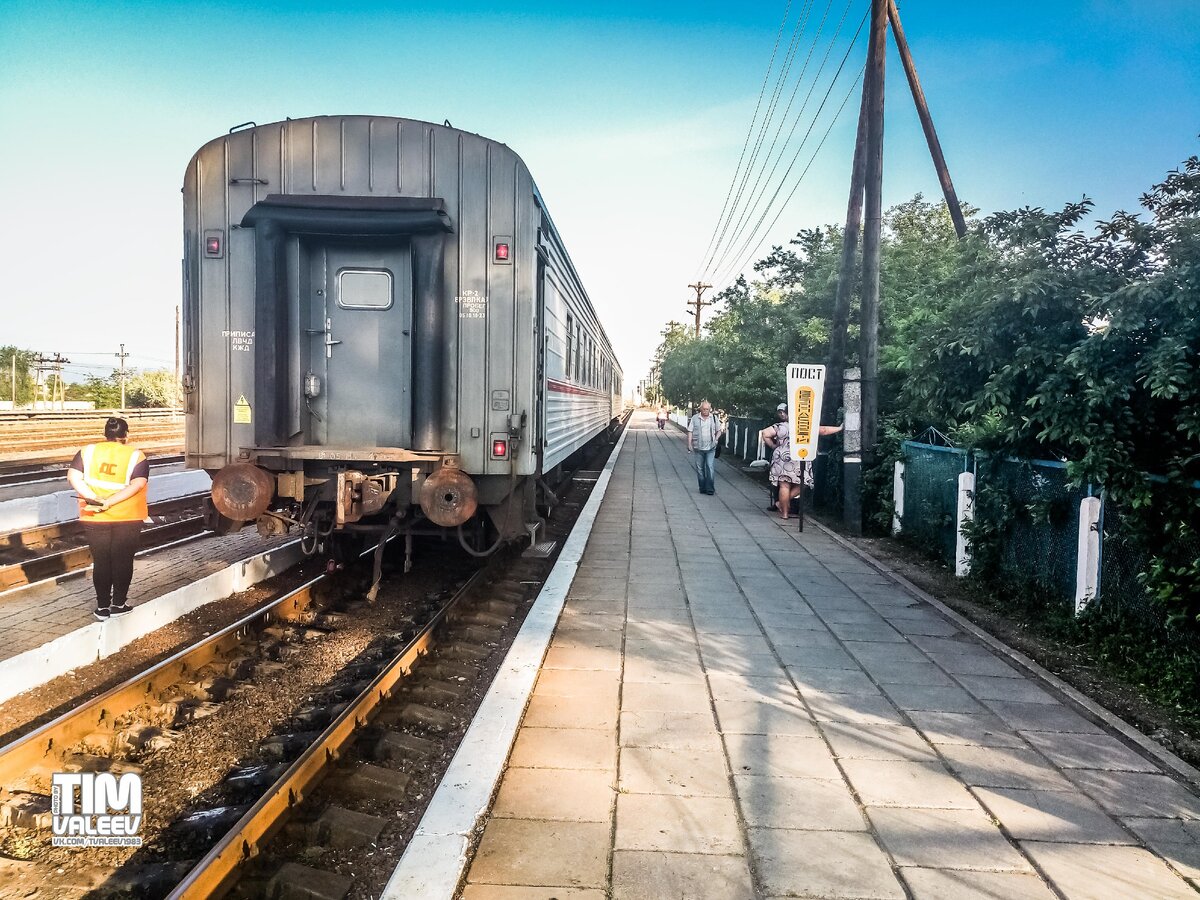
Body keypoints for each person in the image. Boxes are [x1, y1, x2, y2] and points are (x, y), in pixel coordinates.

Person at [67, 417, 150, 620]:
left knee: (102, 560)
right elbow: (137, 484)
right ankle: (118, 605)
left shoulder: (87, 451)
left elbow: (73, 476)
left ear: (106, 434)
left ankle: (102, 607)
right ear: (126, 435)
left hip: (94, 516)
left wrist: (92, 498)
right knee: (122, 560)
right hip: (127, 516)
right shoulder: (136, 456)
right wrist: (111, 502)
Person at [761, 403, 842, 519]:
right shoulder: (805, 426)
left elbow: (765, 433)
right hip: (800, 456)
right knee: (804, 483)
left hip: (781, 458)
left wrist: (774, 446)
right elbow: (823, 430)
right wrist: (840, 428)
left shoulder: (780, 426)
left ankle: (784, 514)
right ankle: (783, 502)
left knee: (784, 485)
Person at [686, 400, 725, 495]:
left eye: (707, 409)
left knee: (709, 467)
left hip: (711, 448)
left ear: (710, 409)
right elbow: (690, 431)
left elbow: (719, 430)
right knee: (700, 469)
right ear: (700, 409)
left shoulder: (714, 418)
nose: (705, 411)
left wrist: (716, 439)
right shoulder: (695, 418)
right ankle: (702, 487)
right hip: (698, 448)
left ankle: (710, 489)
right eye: (704, 409)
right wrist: (689, 444)